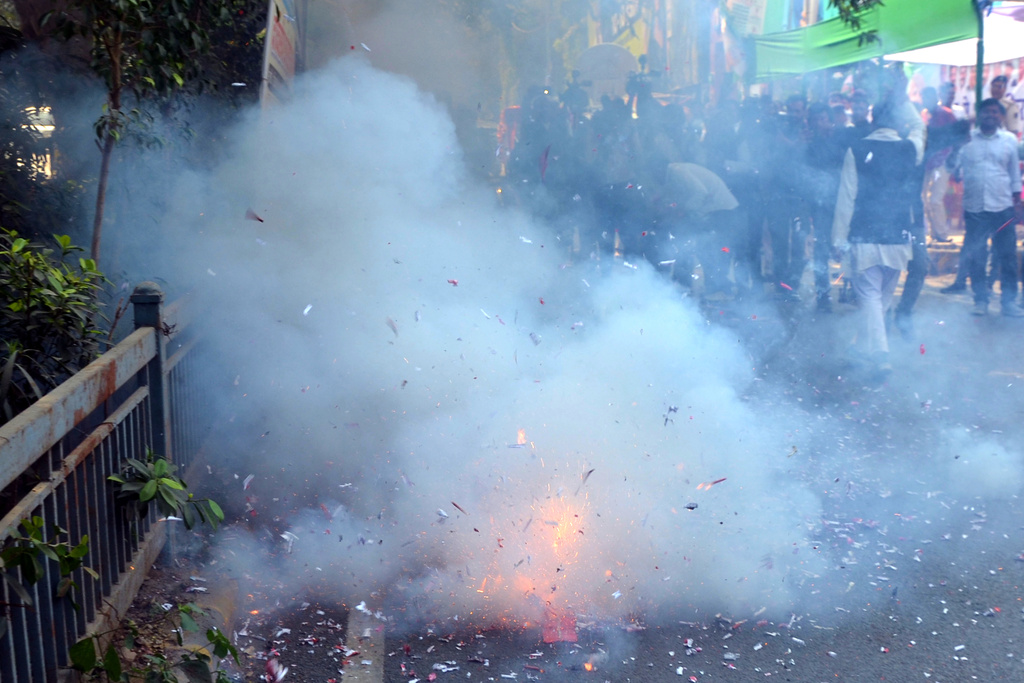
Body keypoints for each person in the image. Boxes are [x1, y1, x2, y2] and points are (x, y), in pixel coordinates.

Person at [832, 100, 917, 376]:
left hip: (865, 236)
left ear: (873, 120)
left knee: (870, 298)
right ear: (899, 121)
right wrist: (904, 98)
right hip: (899, 237)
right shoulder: (910, 149)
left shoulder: (856, 149)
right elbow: (920, 128)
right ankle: (860, 347)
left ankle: (881, 355)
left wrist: (838, 239)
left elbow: (847, 197)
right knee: (880, 300)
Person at [955, 97, 1024, 317]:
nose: (990, 115)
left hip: (1003, 206)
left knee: (1007, 256)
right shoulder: (967, 140)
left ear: (1001, 116)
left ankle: (1008, 303)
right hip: (975, 208)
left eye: (995, 112)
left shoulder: (1009, 140)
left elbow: (1014, 174)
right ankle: (980, 300)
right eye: (986, 111)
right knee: (977, 256)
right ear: (979, 115)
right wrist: (956, 146)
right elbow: (954, 170)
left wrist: (1017, 202)